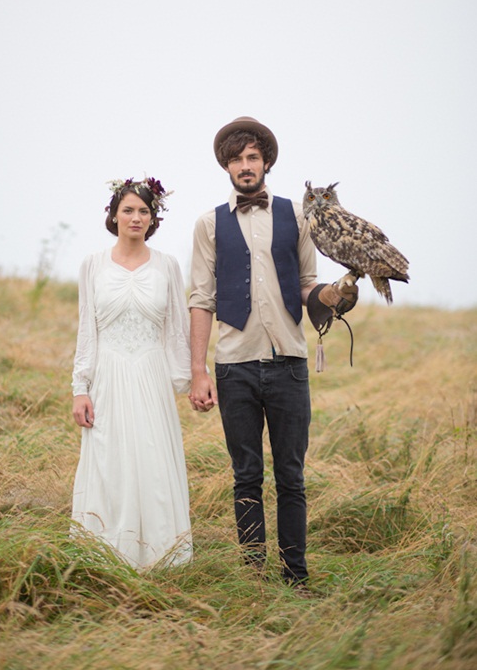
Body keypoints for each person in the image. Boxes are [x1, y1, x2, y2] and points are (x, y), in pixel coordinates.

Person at [188, 117, 357, 587]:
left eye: (253, 157)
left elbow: (306, 285)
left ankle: (296, 578)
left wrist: (331, 296)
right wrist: (198, 370)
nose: (246, 166)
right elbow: (201, 299)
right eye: (237, 159)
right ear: (227, 165)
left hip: (288, 364)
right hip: (234, 366)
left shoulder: (296, 218)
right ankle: (254, 579)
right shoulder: (208, 224)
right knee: (246, 476)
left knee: (291, 477)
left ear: (265, 162)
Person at [71, 176, 192, 570]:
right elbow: (87, 330)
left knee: (153, 459)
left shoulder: (168, 265)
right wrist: (80, 387)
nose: (136, 217)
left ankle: (160, 558)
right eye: (128, 210)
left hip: (151, 376)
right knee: (109, 461)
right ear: (114, 215)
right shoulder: (92, 265)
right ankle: (105, 555)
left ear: (153, 217)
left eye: (144, 211)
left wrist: (190, 380)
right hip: (107, 375)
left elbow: (176, 328)